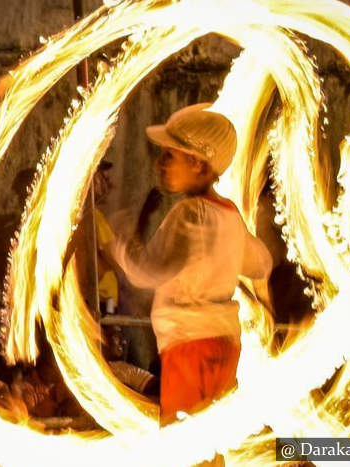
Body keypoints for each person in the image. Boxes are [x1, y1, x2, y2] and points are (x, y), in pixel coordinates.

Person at [108, 103, 273, 446]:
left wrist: (123, 242)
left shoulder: (189, 214)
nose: (161, 164)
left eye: (170, 155)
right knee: (210, 442)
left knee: (183, 447)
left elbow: (147, 272)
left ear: (198, 163)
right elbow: (260, 263)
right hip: (225, 345)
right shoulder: (229, 216)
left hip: (188, 344)